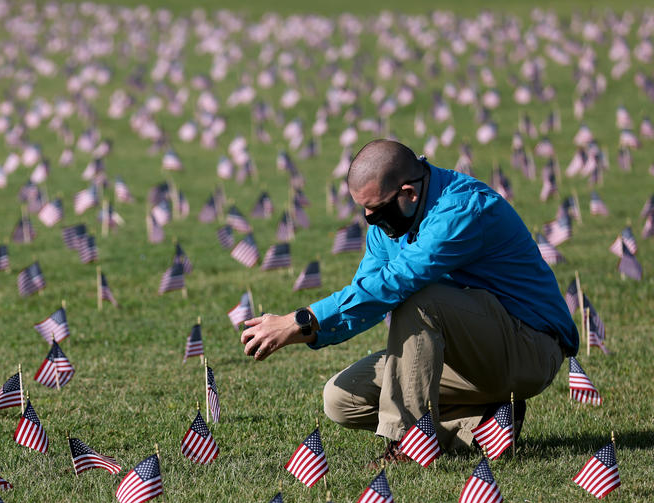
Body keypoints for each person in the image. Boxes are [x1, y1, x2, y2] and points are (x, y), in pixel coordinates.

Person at [241, 139, 578, 459]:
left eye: (376, 209)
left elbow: (396, 282)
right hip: (470, 356)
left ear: (409, 193)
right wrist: (309, 330)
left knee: (420, 299)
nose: (370, 220)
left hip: (529, 348)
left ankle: (409, 442)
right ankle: (485, 424)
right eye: (364, 211)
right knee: (341, 399)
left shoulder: (461, 209)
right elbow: (368, 292)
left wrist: (302, 319)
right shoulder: (389, 222)